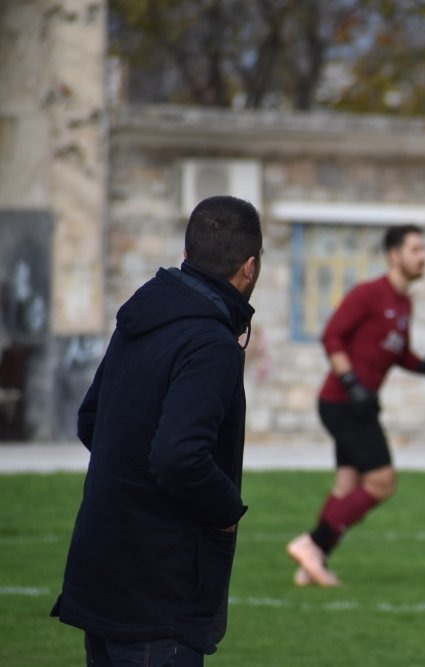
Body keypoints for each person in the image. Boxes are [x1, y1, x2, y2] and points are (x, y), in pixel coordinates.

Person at [51, 196, 263, 666]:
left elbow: (92, 420)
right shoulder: (211, 344)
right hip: (158, 591)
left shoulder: (141, 316)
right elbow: (178, 456)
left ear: (186, 256)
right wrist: (226, 509)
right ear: (249, 268)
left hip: (102, 569)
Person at [286, 224, 425, 587]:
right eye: (416, 250)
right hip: (342, 403)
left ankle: (312, 564)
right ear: (394, 256)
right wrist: (351, 382)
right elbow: (332, 336)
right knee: (382, 482)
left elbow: (397, 350)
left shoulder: (404, 303)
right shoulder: (369, 293)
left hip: (360, 405)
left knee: (347, 483)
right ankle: (312, 544)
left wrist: (424, 367)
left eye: (424, 250)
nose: (424, 257)